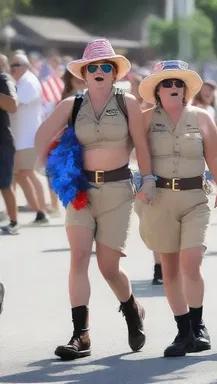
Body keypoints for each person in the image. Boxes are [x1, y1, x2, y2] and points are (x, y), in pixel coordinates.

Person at [35, 38, 154, 360]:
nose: (99, 71)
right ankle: (80, 335)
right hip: (81, 192)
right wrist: (59, 168)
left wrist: (149, 180)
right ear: (83, 74)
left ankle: (132, 309)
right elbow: (40, 138)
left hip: (118, 190)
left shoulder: (127, 102)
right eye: (93, 67)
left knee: (108, 267)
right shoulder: (71, 106)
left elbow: (141, 145)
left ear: (114, 73)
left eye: (105, 67)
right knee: (78, 258)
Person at [137, 60, 217, 357]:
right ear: (157, 91)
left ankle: (199, 325)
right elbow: (126, 149)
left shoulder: (202, 117)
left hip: (194, 198)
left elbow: (214, 158)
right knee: (170, 269)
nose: (174, 88)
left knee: (191, 262)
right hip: (159, 199)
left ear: (187, 89)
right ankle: (183, 330)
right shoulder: (145, 119)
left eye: (179, 83)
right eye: (167, 83)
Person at [10, 53, 49, 225]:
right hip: (20, 139)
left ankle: (42, 210)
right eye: (12, 65)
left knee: (28, 173)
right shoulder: (21, 82)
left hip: (28, 138)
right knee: (20, 175)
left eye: (17, 64)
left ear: (26, 65)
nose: (14, 68)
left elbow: (15, 103)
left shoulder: (29, 82)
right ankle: (38, 211)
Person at [0, 54, 19, 235]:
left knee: (5, 184)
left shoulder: (4, 79)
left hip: (2, 141)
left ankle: (13, 222)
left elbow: (13, 105)